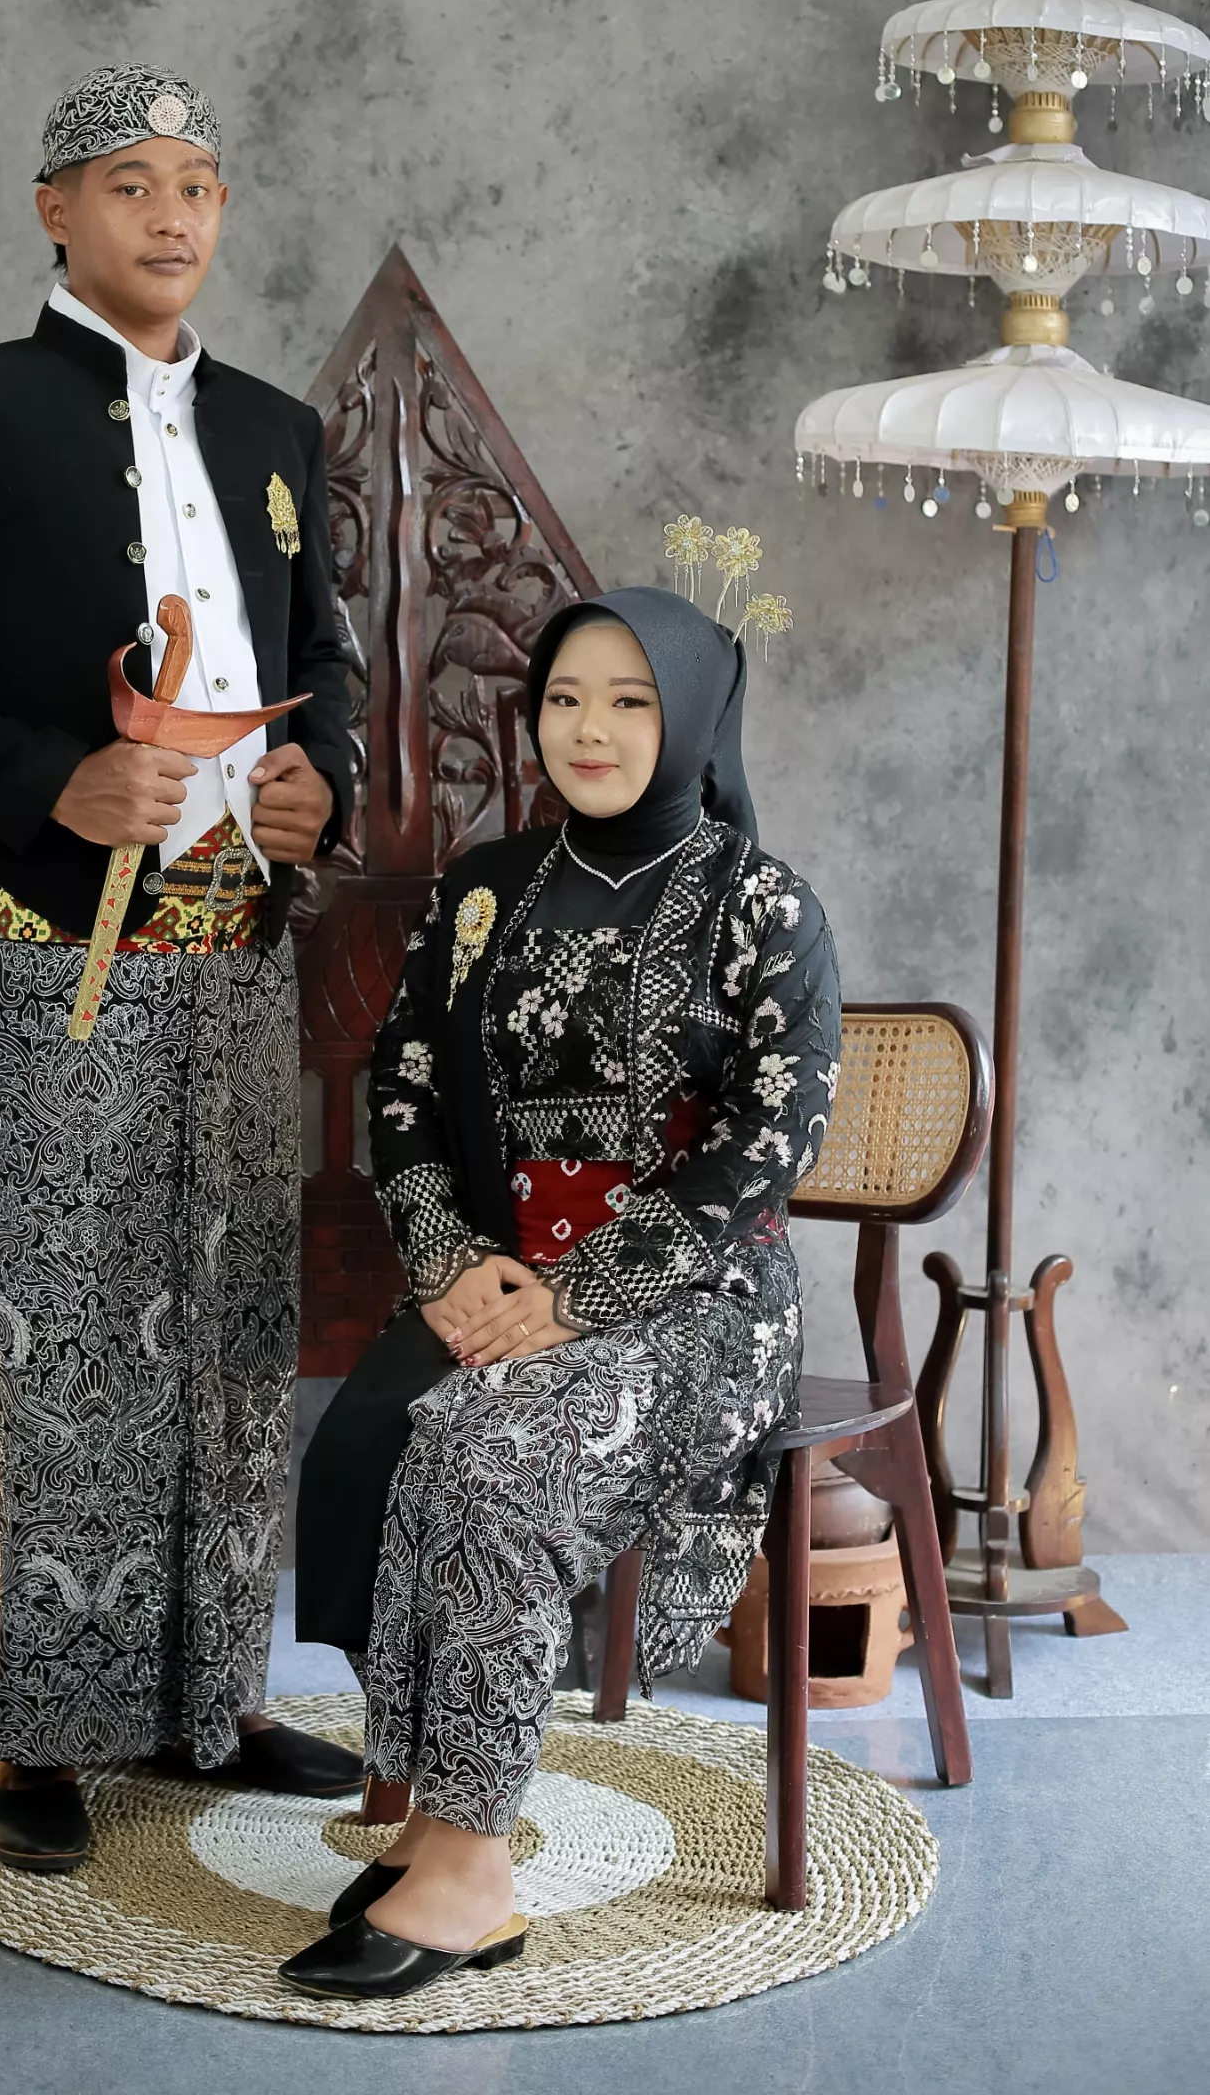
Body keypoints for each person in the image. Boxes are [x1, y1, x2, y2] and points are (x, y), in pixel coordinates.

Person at [0, 63, 360, 1872]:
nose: (172, 214)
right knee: (57, 1341)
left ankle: (214, 1703)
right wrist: (48, 774)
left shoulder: (277, 431)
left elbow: (327, 660)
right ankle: (36, 1733)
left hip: (239, 950)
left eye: (198, 182)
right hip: (57, 955)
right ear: (57, 211)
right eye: (131, 183)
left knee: (228, 1330)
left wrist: (322, 780)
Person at [283, 585, 839, 2000]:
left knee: (490, 1447)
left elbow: (766, 1148)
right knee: (395, 1436)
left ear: (693, 716)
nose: (588, 729)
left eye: (630, 701)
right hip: (495, 1278)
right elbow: (403, 1085)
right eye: (565, 698)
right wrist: (448, 1264)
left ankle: (473, 1871)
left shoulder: (762, 907)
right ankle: (431, 1814)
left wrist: (580, 1296)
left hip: (699, 1302)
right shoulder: (484, 890)